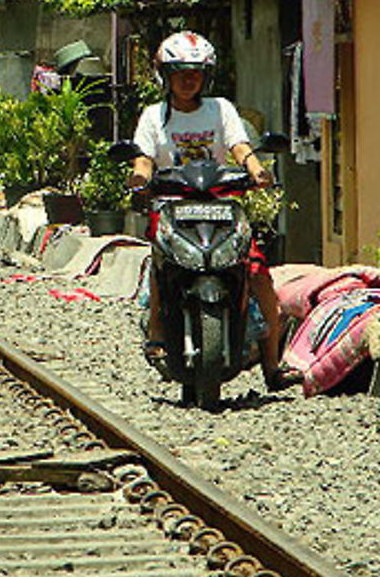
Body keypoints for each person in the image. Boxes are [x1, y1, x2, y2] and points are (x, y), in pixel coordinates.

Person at [128, 30, 301, 392]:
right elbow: (143, 159)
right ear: (165, 75)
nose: (188, 79)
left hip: (221, 205)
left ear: (206, 76)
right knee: (162, 263)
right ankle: (158, 332)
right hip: (173, 206)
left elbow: (240, 145)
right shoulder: (152, 117)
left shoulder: (221, 109)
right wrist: (140, 179)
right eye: (179, 72)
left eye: (195, 72)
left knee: (257, 273)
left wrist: (256, 170)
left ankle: (273, 364)